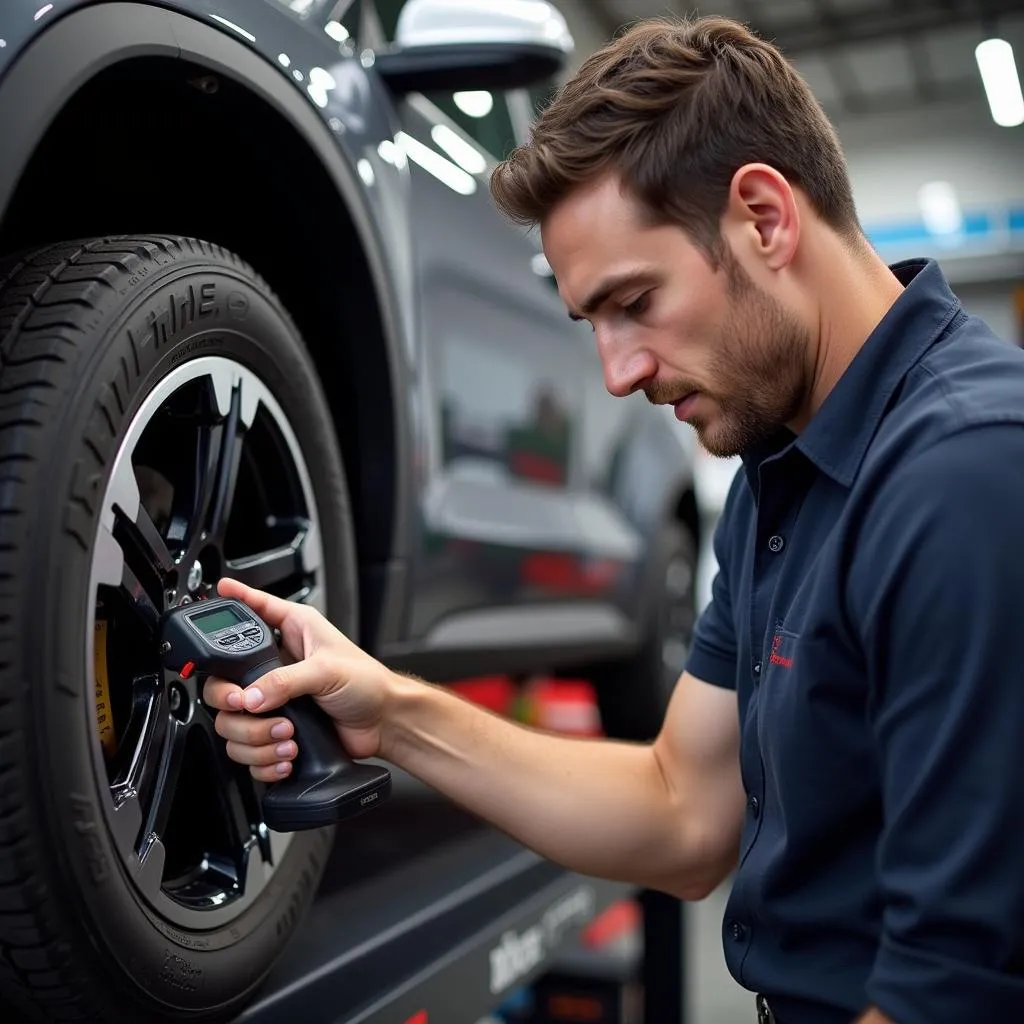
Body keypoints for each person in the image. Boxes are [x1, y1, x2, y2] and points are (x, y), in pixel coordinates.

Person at [205, 15, 1024, 1024]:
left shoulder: (967, 472)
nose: (616, 373)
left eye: (635, 301)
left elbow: (954, 996)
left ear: (764, 218)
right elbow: (682, 811)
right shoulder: (780, 467)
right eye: (591, 322)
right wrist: (390, 713)